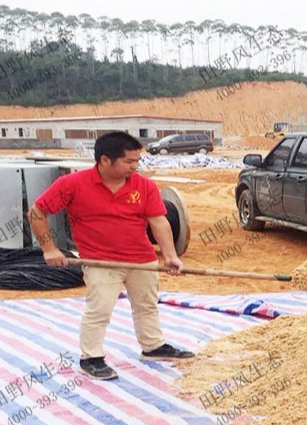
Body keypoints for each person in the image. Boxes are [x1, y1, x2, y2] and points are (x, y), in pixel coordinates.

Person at [30, 131, 194, 381]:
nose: (135, 166)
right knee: (99, 309)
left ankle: (153, 346)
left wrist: (170, 255)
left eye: (137, 161)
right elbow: (37, 212)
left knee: (147, 305)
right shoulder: (72, 184)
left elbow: (158, 221)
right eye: (129, 162)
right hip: (100, 261)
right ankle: (91, 357)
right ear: (105, 160)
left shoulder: (144, 186)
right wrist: (49, 248)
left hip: (142, 259)